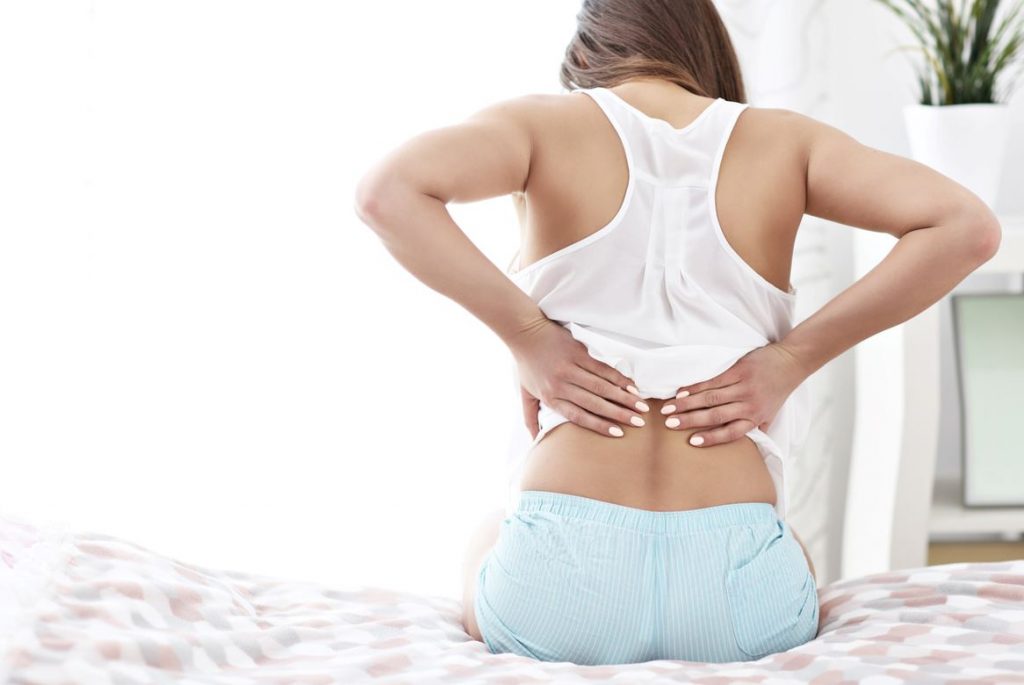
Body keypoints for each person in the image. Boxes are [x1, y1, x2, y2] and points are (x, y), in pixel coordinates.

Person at [353, 0, 1001, 666]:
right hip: (741, 603)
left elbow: (387, 193)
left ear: (585, 56)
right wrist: (791, 358)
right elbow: (968, 227)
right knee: (795, 551)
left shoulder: (541, 126)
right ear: (705, 48)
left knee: (488, 532)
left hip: (554, 595)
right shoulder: (786, 142)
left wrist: (528, 335)